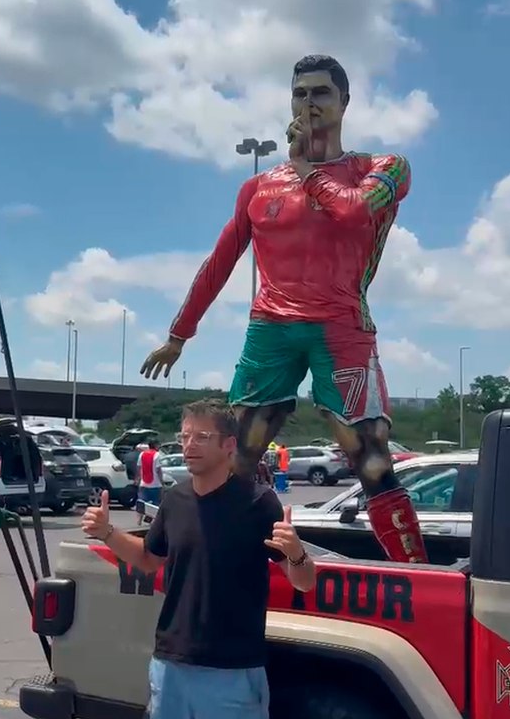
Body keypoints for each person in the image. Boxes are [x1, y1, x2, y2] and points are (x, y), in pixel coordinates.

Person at [138, 54, 427, 564]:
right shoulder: (258, 187)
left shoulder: (383, 168)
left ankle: (415, 572)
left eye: (321, 93)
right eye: (300, 93)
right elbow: (220, 261)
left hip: (341, 326)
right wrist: (179, 334)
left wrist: (304, 168)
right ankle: (224, 557)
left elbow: (352, 210)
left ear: (344, 101)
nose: (309, 103)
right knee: (238, 454)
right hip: (270, 327)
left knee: (370, 457)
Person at [82, 399, 316, 719]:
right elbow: (149, 558)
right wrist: (107, 532)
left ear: (228, 445)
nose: (189, 444)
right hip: (170, 666)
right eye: (185, 436)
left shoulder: (258, 502)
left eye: (202, 437)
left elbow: (304, 582)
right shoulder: (174, 500)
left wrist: (296, 553)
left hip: (232, 672)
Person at [138, 440, 161, 505]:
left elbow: (139, 467)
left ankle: (140, 512)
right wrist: (162, 482)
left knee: (142, 504)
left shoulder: (142, 454)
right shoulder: (157, 454)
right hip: (155, 484)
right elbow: (158, 470)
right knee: (155, 504)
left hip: (143, 484)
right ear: (155, 446)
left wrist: (138, 479)